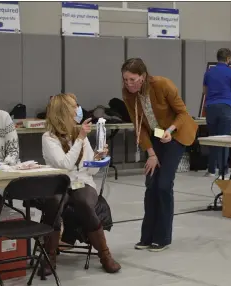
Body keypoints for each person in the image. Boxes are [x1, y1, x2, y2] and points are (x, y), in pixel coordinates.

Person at [121, 58, 197, 252]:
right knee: (151, 185)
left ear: (143, 76)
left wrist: (169, 131)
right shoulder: (128, 94)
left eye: (132, 79)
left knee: (164, 185)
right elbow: (139, 125)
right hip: (156, 134)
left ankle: (162, 238)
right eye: (125, 79)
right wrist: (151, 154)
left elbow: (183, 114)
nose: (128, 84)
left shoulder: (163, 84)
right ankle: (147, 236)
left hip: (177, 133)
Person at [42, 93, 121, 274]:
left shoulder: (81, 135)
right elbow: (64, 164)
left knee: (84, 202)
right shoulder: (49, 138)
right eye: (74, 107)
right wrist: (79, 139)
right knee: (54, 203)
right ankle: (49, 257)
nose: (78, 110)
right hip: (59, 183)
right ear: (64, 112)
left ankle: (105, 255)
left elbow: (90, 170)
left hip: (81, 181)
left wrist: (96, 158)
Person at [202, 48, 231, 177]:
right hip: (226, 107)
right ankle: (223, 170)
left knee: (213, 138)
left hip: (211, 107)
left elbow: (205, 91)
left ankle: (211, 170)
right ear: (228, 59)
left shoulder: (209, 72)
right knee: (225, 139)